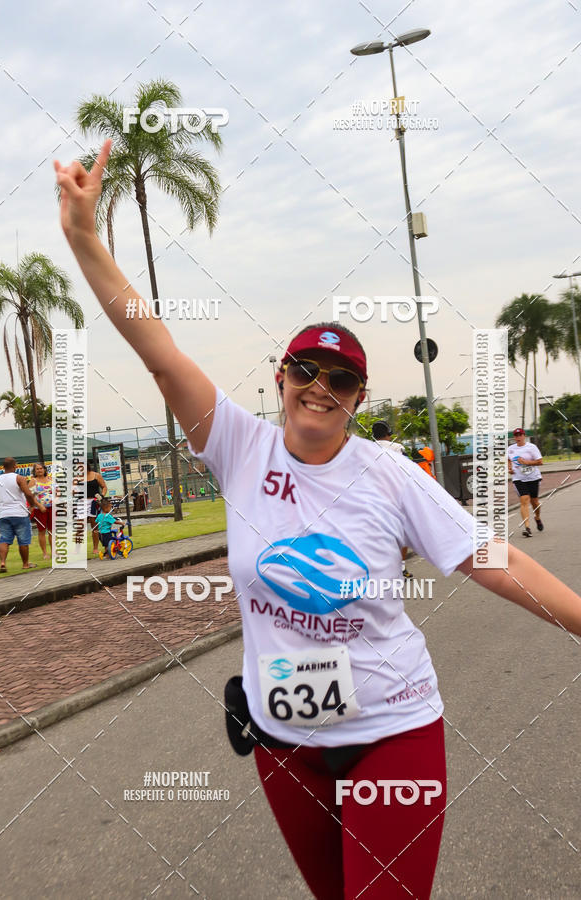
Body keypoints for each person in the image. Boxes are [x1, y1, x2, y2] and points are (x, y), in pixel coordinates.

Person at [55, 140, 581, 900]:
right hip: (284, 743)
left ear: (358, 399)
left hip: (392, 732)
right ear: (282, 377)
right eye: (306, 370)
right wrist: (84, 237)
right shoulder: (238, 445)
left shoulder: (389, 475)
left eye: (342, 380)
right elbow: (161, 357)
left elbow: (493, 559)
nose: (320, 387)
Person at [372, 420, 412, 578]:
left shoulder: (366, 449)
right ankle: (401, 568)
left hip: (373, 497)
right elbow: (409, 470)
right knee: (402, 533)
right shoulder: (397, 448)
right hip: (396, 496)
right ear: (389, 433)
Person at [0, 457, 45, 573]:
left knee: (4, 539)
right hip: (19, 512)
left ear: (3, 467)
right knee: (23, 540)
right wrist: (31, 506)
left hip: (3, 514)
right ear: (15, 466)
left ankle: (3, 563)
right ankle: (25, 564)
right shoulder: (19, 478)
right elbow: (28, 494)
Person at [507, 427, 543, 537]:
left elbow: (540, 462)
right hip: (519, 478)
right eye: (516, 435)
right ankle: (527, 527)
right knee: (524, 500)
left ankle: (537, 517)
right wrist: (509, 468)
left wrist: (526, 462)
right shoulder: (510, 449)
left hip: (533, 477)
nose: (518, 437)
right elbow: (509, 459)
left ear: (524, 436)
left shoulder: (532, 447)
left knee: (535, 502)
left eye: (520, 435)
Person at [75, 461, 107, 556]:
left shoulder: (96, 475)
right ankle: (77, 549)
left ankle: (95, 548)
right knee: (80, 526)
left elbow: (104, 487)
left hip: (94, 501)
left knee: (94, 525)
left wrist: (101, 496)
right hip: (81, 502)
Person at [28, 462, 53, 559]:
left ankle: (54, 551)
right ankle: (45, 553)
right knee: (42, 531)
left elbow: (57, 491)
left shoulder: (50, 479)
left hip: (52, 507)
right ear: (34, 471)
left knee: (52, 530)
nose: (39, 470)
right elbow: (31, 496)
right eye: (37, 469)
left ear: (45, 469)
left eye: (41, 468)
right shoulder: (33, 481)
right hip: (40, 509)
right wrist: (39, 505)